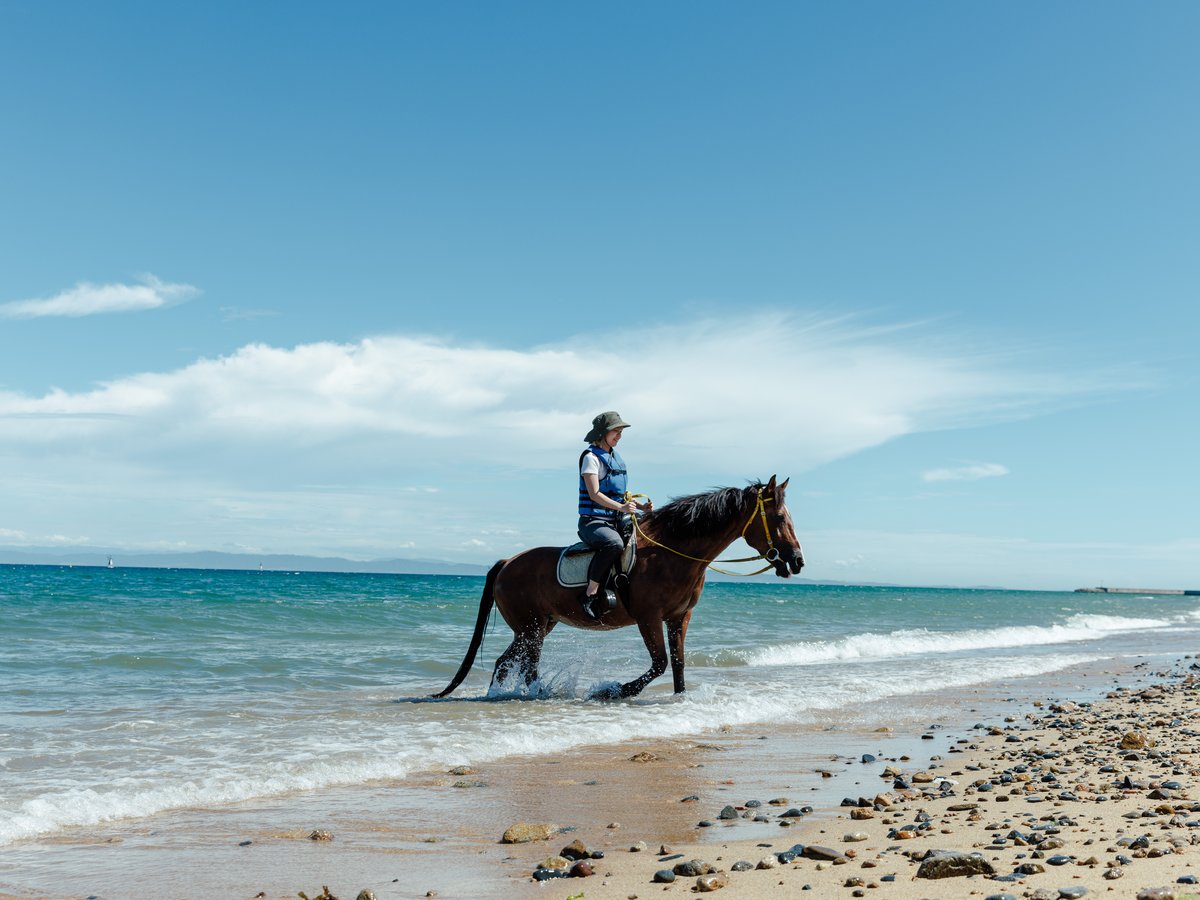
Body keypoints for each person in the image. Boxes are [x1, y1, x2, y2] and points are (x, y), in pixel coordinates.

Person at [577, 411, 652, 621]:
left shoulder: (615, 459)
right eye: (615, 432)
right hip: (593, 522)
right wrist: (622, 509)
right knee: (614, 544)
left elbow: (621, 497)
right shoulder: (591, 458)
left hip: (615, 519)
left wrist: (641, 507)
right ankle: (589, 594)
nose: (619, 436)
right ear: (602, 433)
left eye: (620, 432)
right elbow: (595, 494)